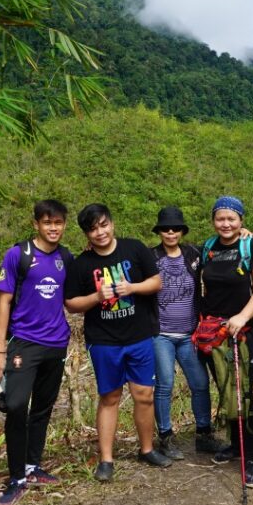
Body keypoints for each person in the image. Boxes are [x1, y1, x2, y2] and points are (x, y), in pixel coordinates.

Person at [64, 204, 171, 481]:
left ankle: (146, 449)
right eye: (92, 229)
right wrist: (97, 297)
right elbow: (72, 304)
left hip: (139, 337)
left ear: (111, 223)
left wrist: (132, 288)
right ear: (86, 234)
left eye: (103, 225)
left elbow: (157, 282)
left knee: (144, 395)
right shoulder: (81, 264)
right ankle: (107, 459)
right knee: (110, 396)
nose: (100, 232)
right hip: (104, 341)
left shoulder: (135, 249)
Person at [0, 199, 75, 505]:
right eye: (48, 222)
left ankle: (31, 467)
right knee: (15, 406)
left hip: (56, 343)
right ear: (36, 224)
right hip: (23, 343)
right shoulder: (19, 255)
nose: (54, 228)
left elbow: (73, 299)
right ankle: (15, 478)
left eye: (59, 223)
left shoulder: (67, 257)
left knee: (43, 407)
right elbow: (4, 302)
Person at [197, 196, 253, 488]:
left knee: (244, 393)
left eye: (231, 218)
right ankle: (235, 445)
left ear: (241, 220)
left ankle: (250, 458)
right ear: (213, 220)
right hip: (215, 332)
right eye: (220, 219)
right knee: (226, 389)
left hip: (244, 330)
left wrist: (241, 317)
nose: (225, 224)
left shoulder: (252, 246)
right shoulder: (208, 247)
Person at [149, 206, 225, 458]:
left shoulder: (194, 253)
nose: (170, 232)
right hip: (161, 334)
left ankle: (204, 434)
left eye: (175, 228)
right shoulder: (150, 257)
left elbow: (221, 244)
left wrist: (244, 232)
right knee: (164, 385)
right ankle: (165, 437)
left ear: (182, 231)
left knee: (200, 383)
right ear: (159, 231)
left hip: (190, 333)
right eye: (165, 228)